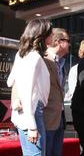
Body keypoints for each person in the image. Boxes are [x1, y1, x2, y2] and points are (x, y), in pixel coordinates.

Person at [7, 18, 53, 156]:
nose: (52, 36)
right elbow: (27, 92)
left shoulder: (21, 54)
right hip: (32, 112)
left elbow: (10, 81)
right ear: (42, 35)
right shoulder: (34, 57)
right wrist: (32, 126)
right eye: (50, 33)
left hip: (25, 113)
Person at [43, 28, 70, 156]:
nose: (70, 44)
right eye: (68, 41)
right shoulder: (43, 59)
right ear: (59, 42)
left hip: (59, 117)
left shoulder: (62, 63)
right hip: (45, 118)